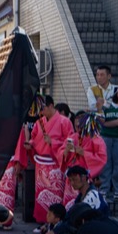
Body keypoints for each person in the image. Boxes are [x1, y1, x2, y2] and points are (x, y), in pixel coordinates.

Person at [30, 95, 74, 223]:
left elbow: (69, 142)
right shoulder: (40, 122)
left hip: (55, 163)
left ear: (51, 106)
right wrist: (31, 143)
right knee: (41, 194)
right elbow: (34, 138)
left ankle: (55, 221)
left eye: (43, 109)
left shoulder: (64, 122)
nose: (41, 112)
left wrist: (53, 142)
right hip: (41, 163)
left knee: (55, 194)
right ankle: (41, 220)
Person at [59, 113, 107, 207]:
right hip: (72, 175)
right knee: (69, 204)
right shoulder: (73, 137)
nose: (78, 128)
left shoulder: (97, 139)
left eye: (79, 125)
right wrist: (66, 151)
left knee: (85, 202)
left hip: (85, 177)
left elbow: (102, 159)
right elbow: (62, 155)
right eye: (76, 126)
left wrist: (85, 153)